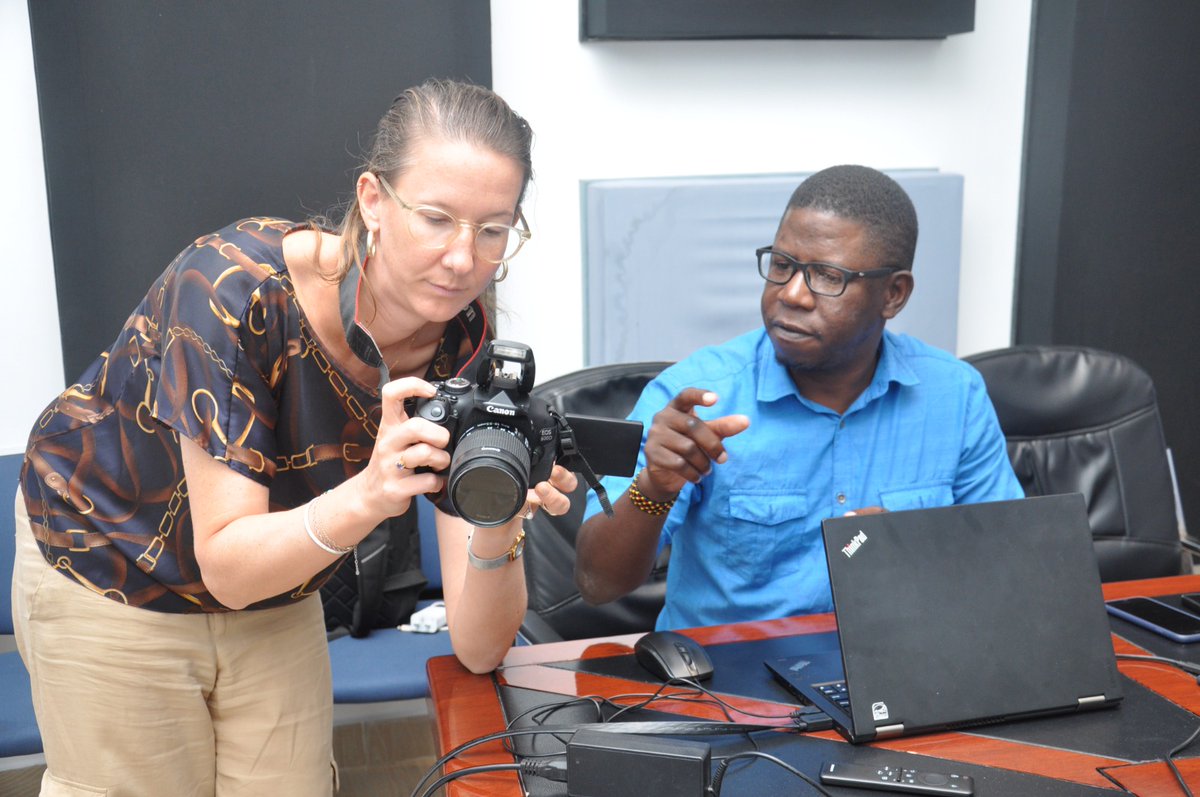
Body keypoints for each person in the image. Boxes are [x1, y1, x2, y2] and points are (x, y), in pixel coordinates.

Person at [12, 79, 576, 796]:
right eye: (436, 218)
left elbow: (477, 646)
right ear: (373, 200)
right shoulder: (231, 289)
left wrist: (498, 520)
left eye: (494, 229)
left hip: (274, 576)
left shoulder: (464, 341)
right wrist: (371, 494)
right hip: (111, 555)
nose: (465, 259)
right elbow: (227, 564)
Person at [575, 164, 1022, 631]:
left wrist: (918, 549)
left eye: (827, 277)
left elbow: (1011, 565)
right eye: (783, 265)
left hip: (902, 664)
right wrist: (654, 489)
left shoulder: (955, 395)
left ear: (893, 294)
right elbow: (597, 583)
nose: (791, 294)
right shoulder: (696, 399)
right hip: (728, 684)